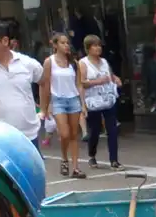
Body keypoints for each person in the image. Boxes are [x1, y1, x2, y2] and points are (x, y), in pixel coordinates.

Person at [40, 32, 85, 178]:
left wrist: (83, 104)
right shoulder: (49, 62)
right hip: (58, 100)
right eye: (62, 43)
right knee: (64, 133)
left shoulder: (74, 63)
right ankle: (64, 158)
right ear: (54, 45)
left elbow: (79, 84)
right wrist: (45, 107)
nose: (66, 46)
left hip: (73, 100)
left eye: (67, 43)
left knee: (73, 134)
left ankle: (76, 167)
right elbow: (46, 85)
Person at [80, 34, 121, 170]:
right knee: (95, 130)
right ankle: (92, 154)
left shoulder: (104, 61)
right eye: (94, 46)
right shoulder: (83, 63)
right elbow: (82, 83)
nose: (98, 48)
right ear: (88, 48)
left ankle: (114, 160)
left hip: (108, 99)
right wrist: (98, 81)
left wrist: (116, 78)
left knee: (112, 129)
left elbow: (110, 74)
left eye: (99, 45)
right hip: (93, 101)